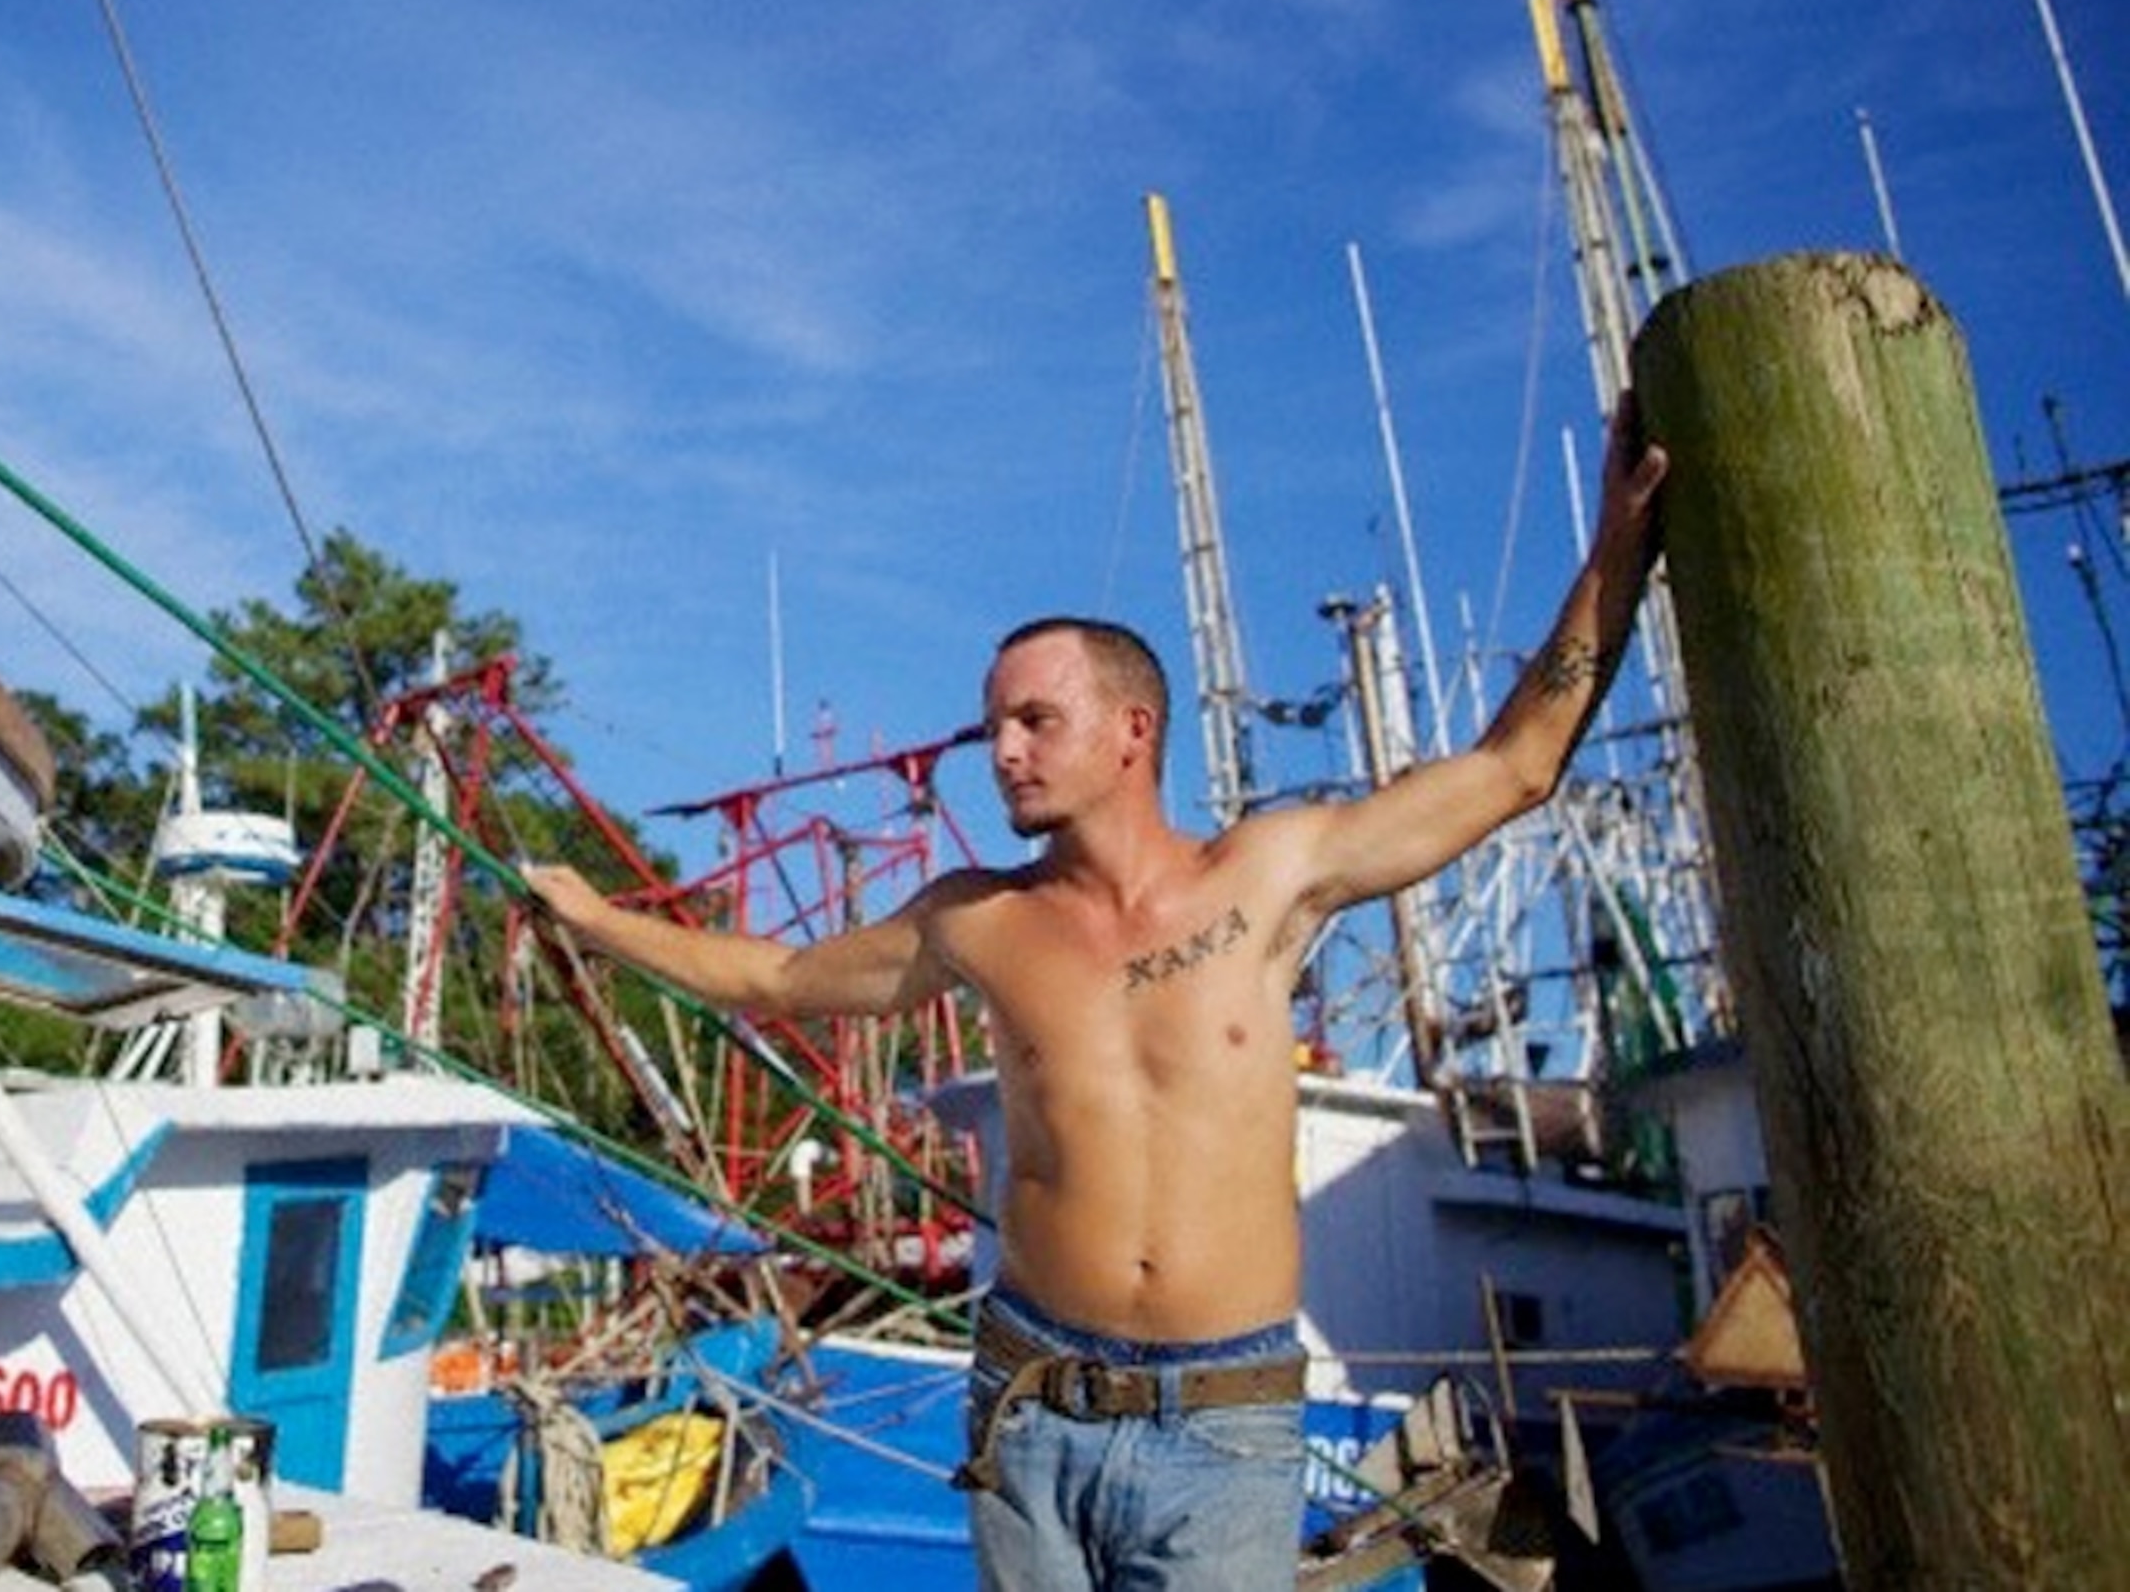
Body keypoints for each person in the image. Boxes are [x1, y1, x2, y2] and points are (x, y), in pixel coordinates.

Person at [524, 399, 1669, 1589]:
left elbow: (1513, 766)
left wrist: (1612, 552)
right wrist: (601, 923)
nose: (1004, 750)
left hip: (1223, 1420)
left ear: (1132, 731)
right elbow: (777, 977)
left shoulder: (1270, 876)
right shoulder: (979, 918)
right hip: (1028, 1404)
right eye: (993, 728)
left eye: (1033, 719)